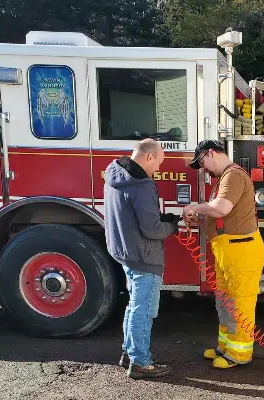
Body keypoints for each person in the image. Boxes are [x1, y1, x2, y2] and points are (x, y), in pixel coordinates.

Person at [183, 139, 264, 369]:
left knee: (239, 302)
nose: (203, 169)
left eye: (202, 163)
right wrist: (200, 218)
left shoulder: (234, 176)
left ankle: (240, 353)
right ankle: (226, 346)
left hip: (241, 249)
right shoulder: (223, 179)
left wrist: (194, 207)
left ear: (211, 153)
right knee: (225, 301)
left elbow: (221, 208)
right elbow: (219, 215)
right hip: (228, 250)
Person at [103, 138, 181, 379]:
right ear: (148, 157)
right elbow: (152, 230)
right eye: (158, 163)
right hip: (144, 255)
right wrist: (172, 227)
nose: (158, 169)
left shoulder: (115, 173)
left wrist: (164, 220)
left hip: (127, 253)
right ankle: (140, 363)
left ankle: (129, 352)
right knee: (144, 309)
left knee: (134, 305)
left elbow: (135, 217)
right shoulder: (142, 185)